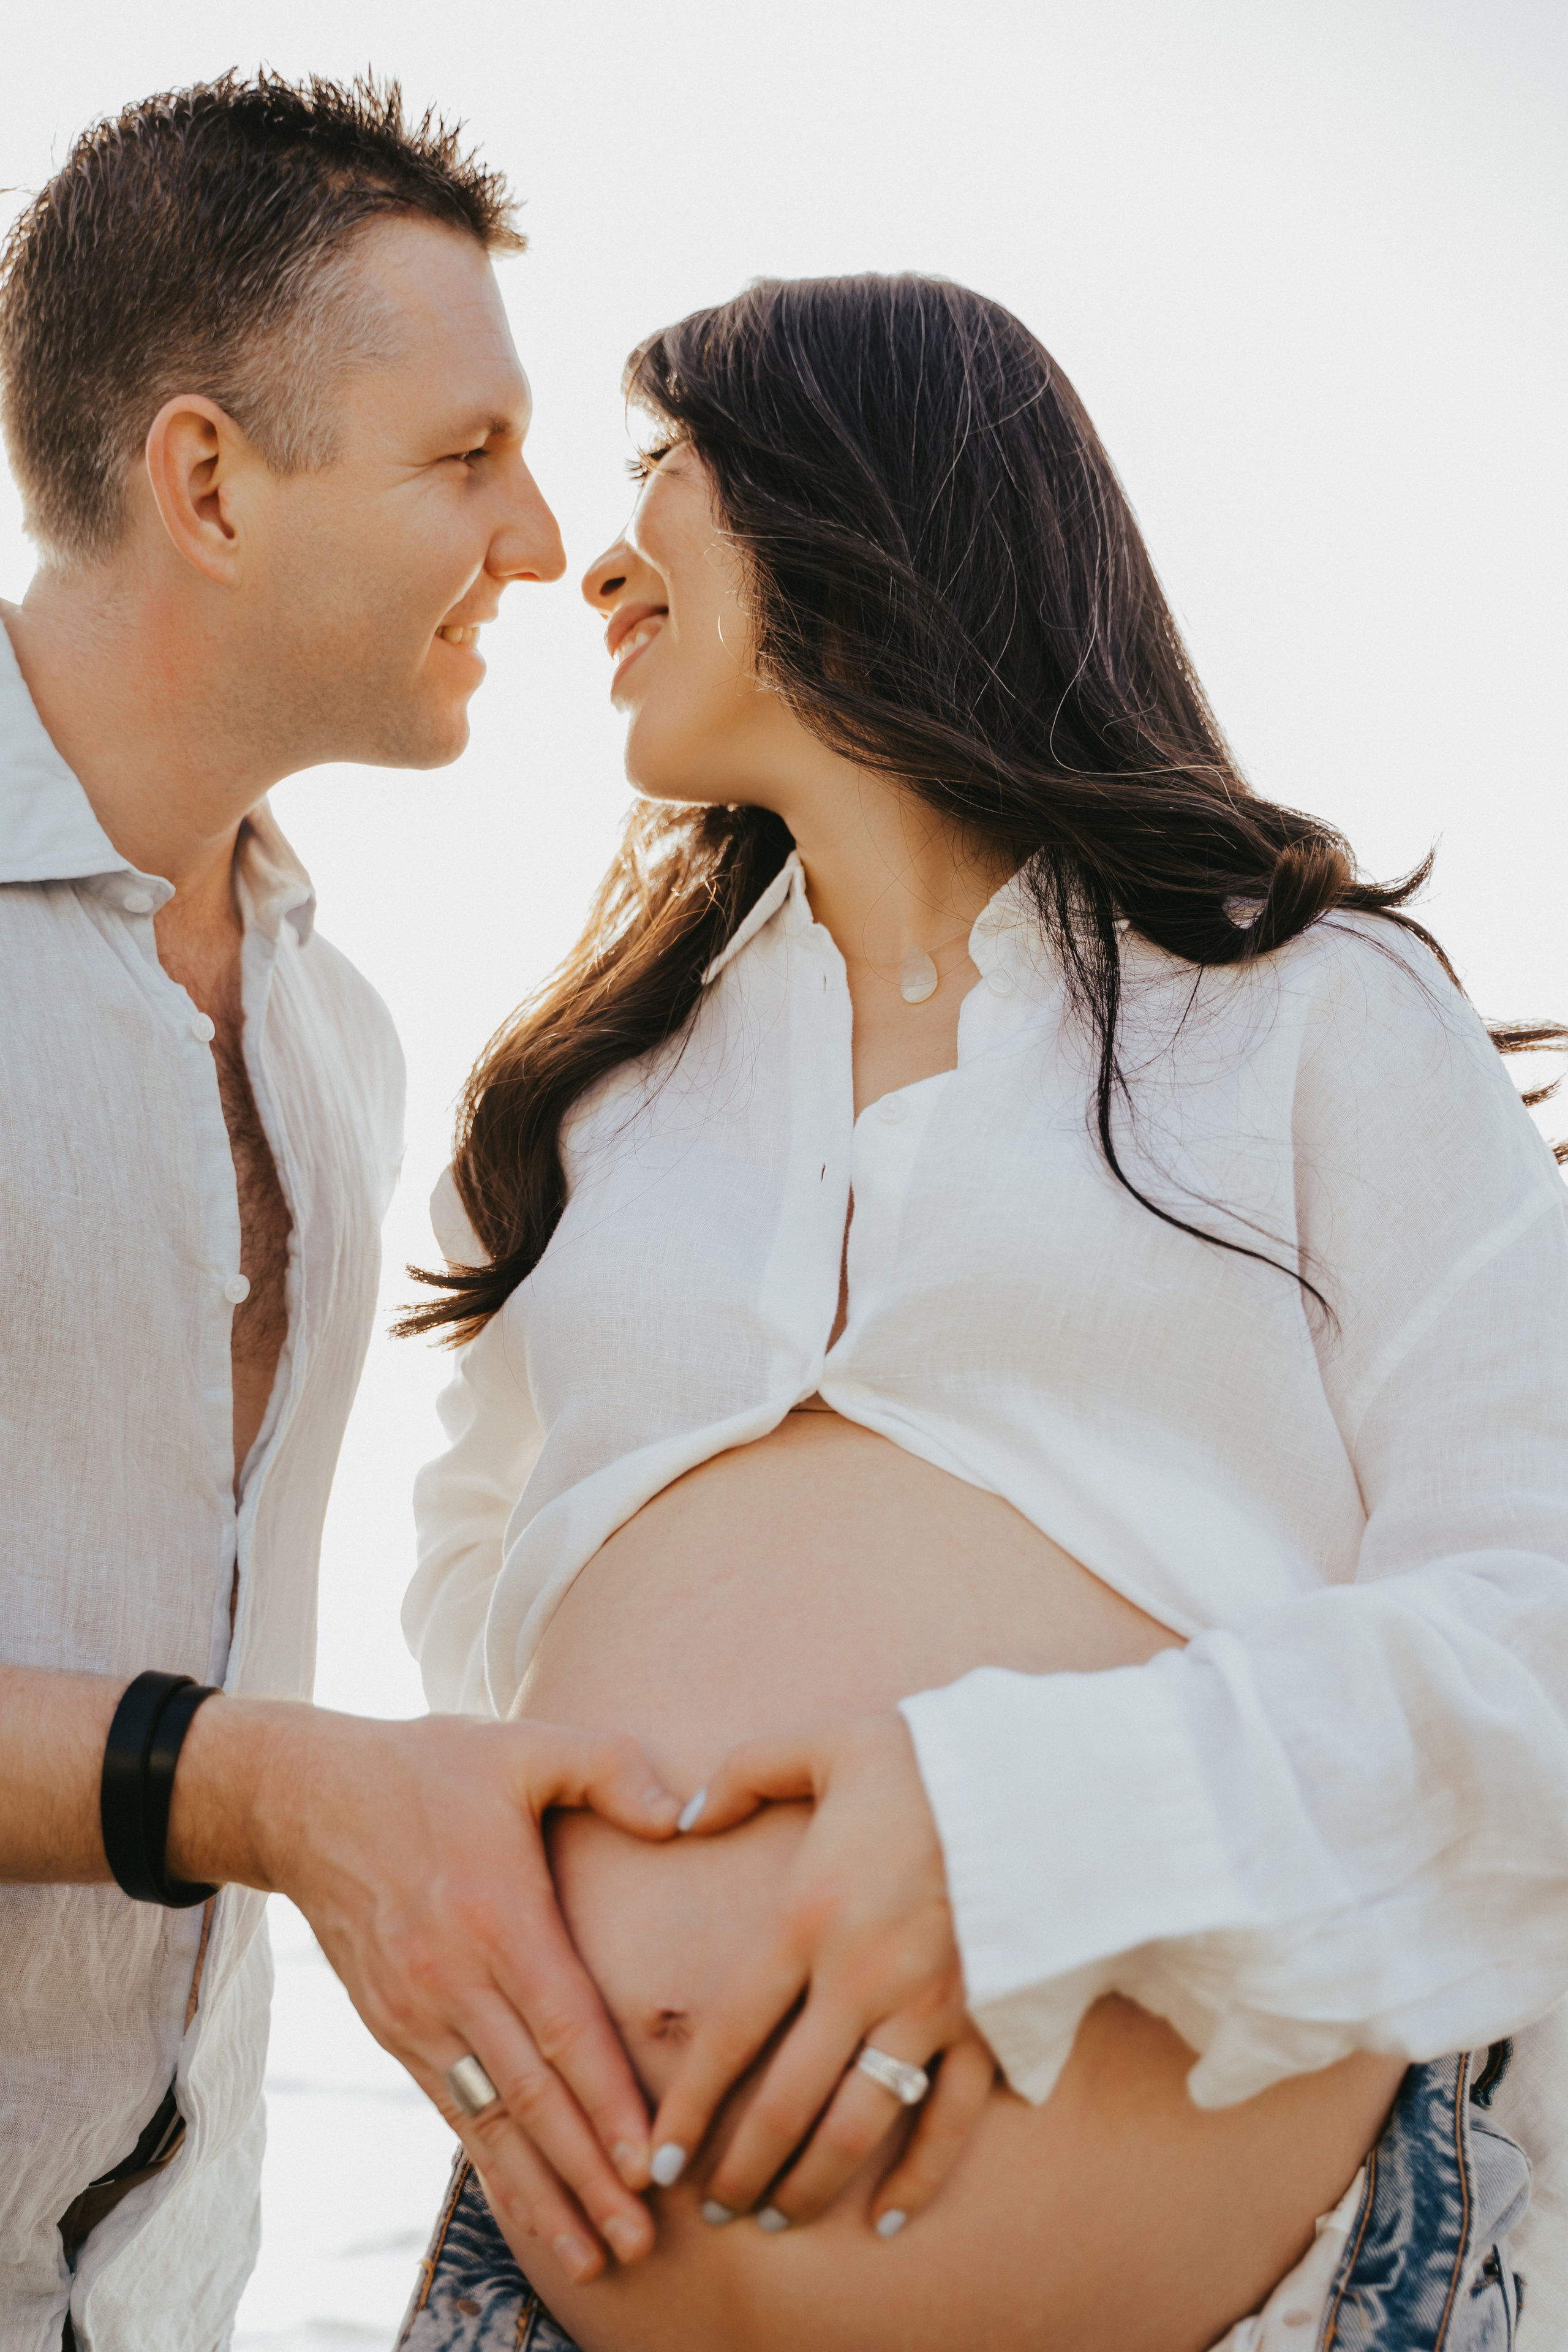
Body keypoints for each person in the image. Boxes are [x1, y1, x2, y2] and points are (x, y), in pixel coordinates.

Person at [399, 274, 1568, 2351]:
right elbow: (483, 1646)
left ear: (868, 498)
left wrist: (1018, 1827)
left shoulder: (1307, 1016)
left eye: (668, 467)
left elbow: (1548, 1631)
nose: (596, 549)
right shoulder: (596, 1115)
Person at [0, 75, 692, 2352]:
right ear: (208, 481)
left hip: (151, 2296)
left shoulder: (343, 1040)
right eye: (463, 458)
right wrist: (271, 1790)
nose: (539, 541)